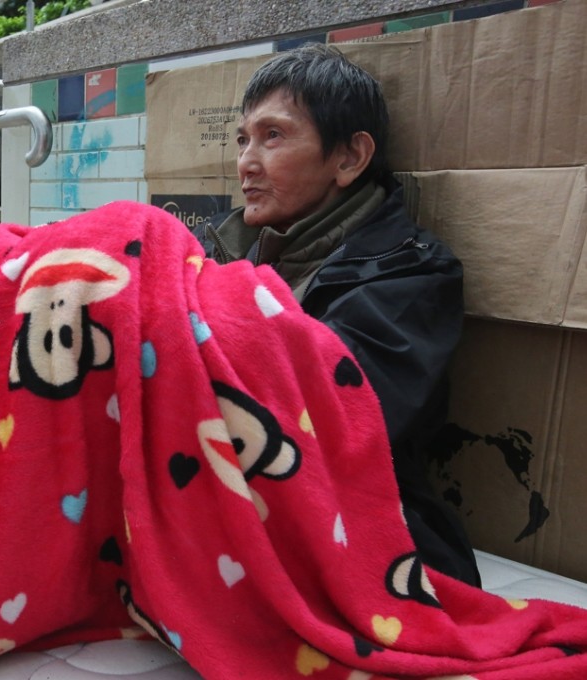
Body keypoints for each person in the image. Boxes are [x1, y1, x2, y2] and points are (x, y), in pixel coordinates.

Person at [193, 43, 480, 587]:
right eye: (242, 139)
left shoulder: (411, 275)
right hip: (230, 502)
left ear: (349, 158)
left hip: (365, 536)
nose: (246, 163)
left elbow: (334, 416)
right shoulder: (229, 255)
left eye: (272, 136)